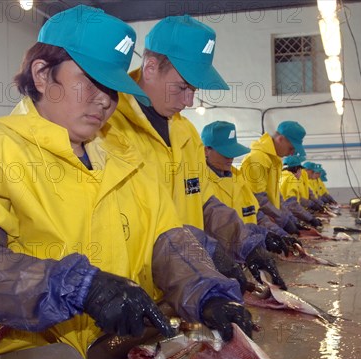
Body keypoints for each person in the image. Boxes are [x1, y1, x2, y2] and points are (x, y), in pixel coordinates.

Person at [0, 6, 250, 358]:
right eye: (91, 81)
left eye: (113, 88)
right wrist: (78, 287)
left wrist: (207, 292)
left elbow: (167, 240)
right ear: (41, 74)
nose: (104, 100)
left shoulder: (125, 162)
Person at [107, 15, 288, 291]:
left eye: (193, 90)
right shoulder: (108, 128)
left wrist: (245, 242)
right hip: (131, 298)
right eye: (182, 87)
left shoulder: (186, 134)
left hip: (187, 291)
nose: (189, 101)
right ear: (151, 67)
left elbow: (202, 200)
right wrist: (205, 250)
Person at [201, 121, 301, 256]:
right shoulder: (198, 184)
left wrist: (280, 234)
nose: (231, 158)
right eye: (225, 153)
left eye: (233, 151)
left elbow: (256, 214)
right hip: (222, 262)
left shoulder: (238, 179)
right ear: (206, 150)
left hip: (250, 255)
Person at [241, 121, 322, 230]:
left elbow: (277, 197)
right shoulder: (257, 159)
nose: (292, 153)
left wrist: (291, 220)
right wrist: (284, 221)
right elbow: (258, 199)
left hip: (272, 221)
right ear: (280, 139)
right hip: (259, 224)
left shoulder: (275, 161)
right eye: (291, 148)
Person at [279, 156, 323, 226]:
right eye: (300, 170)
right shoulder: (291, 179)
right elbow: (292, 205)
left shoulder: (281, 177)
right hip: (287, 217)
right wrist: (310, 218)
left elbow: (297, 199)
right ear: (297, 169)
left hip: (283, 217)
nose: (302, 173)